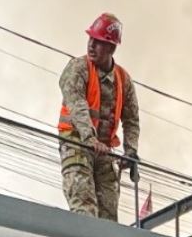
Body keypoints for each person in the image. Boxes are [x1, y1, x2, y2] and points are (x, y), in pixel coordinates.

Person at [57, 13, 140, 221]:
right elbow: (77, 105)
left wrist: (131, 150)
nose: (91, 45)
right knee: (85, 209)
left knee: (109, 216)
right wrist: (90, 138)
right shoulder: (78, 68)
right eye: (91, 39)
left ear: (111, 48)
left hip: (103, 150)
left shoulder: (123, 80)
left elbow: (131, 119)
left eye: (99, 42)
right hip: (76, 142)